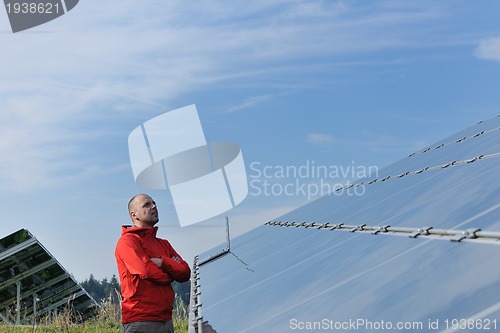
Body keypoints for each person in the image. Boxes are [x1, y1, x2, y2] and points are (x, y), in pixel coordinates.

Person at [115, 194, 191, 333]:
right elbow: (146, 271)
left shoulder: (164, 244)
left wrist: (163, 262)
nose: (154, 206)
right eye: (147, 205)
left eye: (154, 203)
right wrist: (170, 275)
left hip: (166, 321)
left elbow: (185, 272)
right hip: (140, 323)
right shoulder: (127, 242)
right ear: (134, 214)